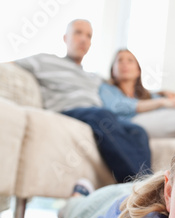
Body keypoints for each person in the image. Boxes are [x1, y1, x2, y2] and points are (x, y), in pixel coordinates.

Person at [13, 19, 151, 183]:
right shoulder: (45, 61)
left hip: (97, 114)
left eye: (89, 36)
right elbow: (8, 66)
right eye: (78, 33)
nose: (84, 39)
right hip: (70, 111)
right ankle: (138, 186)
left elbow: (123, 87)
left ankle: (147, 182)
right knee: (102, 115)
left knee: (138, 130)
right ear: (65, 38)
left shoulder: (93, 77)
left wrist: (162, 94)